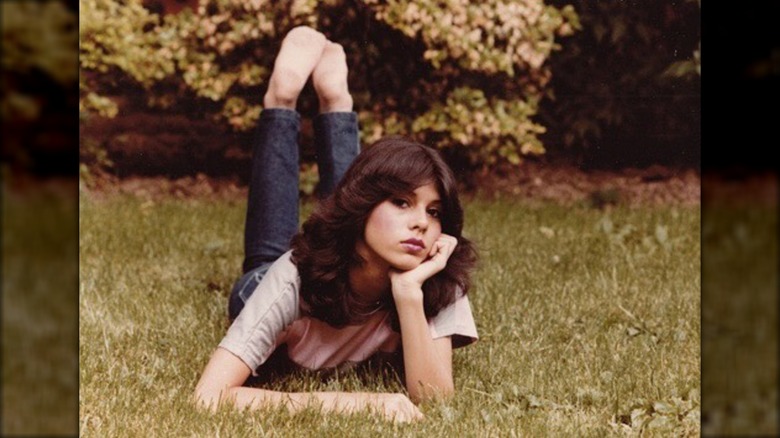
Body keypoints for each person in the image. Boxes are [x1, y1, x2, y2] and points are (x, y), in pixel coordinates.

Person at [194, 26, 478, 423]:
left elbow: (434, 401)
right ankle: (282, 98)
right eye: (402, 202)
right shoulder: (291, 279)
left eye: (433, 211)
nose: (421, 223)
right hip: (273, 280)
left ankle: (336, 103)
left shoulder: (435, 271)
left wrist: (409, 293)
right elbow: (208, 396)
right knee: (268, 256)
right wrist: (364, 404)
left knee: (363, 198)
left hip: (348, 249)